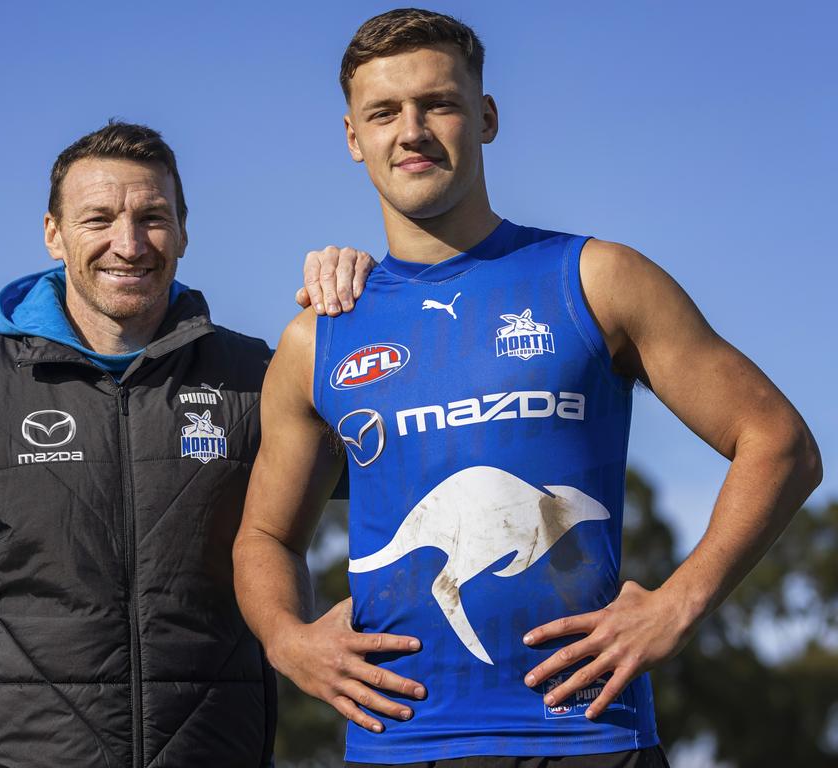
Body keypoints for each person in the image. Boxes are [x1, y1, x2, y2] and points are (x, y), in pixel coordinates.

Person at [233, 9, 822, 768]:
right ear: (354, 137)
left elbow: (779, 444)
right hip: (400, 742)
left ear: (485, 117)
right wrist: (290, 639)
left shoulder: (598, 279)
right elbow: (265, 536)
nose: (411, 130)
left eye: (438, 103)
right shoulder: (319, 336)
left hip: (591, 734)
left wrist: (680, 603)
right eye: (383, 112)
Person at [0, 121, 374, 768]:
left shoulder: (256, 382)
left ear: (185, 231)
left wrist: (373, 309)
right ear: (53, 233)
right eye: (98, 218)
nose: (128, 244)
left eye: (153, 217)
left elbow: (408, 449)